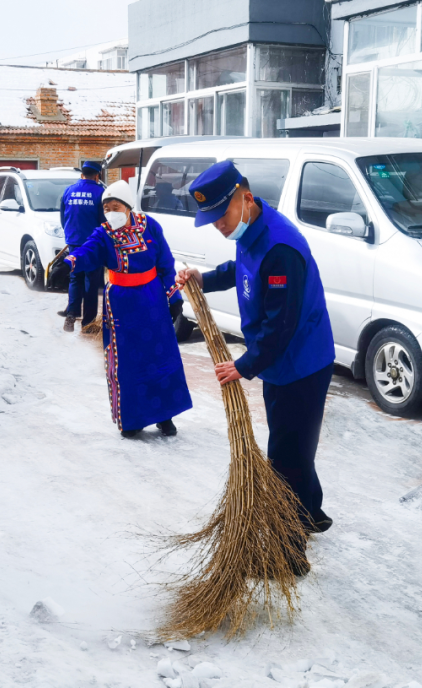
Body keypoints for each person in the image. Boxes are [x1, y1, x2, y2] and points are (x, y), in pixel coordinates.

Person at [176, 160, 336, 533]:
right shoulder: (251, 229)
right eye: (212, 219)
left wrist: (243, 365)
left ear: (245, 198)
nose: (219, 226)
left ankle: (289, 551)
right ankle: (312, 512)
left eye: (222, 216)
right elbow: (241, 269)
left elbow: (280, 326)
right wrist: (205, 277)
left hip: (301, 364)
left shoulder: (281, 248)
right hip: (280, 363)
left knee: (285, 457)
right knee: (294, 443)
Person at [65, 180, 192, 437]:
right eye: (107, 207)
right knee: (128, 362)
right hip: (122, 304)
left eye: (116, 206)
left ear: (128, 206)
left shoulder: (150, 226)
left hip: (153, 299)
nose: (110, 211)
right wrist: (70, 262)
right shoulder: (103, 233)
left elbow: (165, 262)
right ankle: (133, 419)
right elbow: (88, 251)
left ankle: (164, 416)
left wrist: (174, 296)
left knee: (161, 357)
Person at [58, 161, 106, 332]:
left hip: (75, 243)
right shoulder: (101, 193)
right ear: (97, 176)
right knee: (91, 282)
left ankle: (71, 316)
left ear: (82, 175)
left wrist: (72, 237)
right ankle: (88, 323)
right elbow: (103, 221)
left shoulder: (68, 191)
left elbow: (63, 218)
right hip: (93, 245)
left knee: (75, 278)